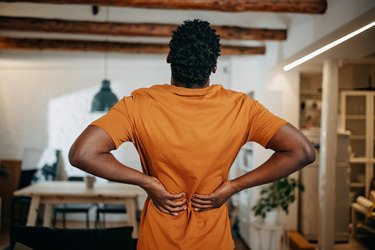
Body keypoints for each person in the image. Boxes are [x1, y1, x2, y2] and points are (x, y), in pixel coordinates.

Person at [69, 20, 315, 250]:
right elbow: (302, 151)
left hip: (158, 240)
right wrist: (232, 187)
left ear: (169, 58)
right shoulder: (242, 107)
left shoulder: (137, 105)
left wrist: (148, 182)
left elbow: (83, 153)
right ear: (215, 66)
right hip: (214, 241)